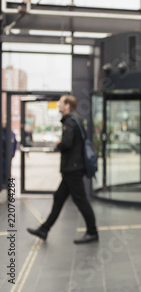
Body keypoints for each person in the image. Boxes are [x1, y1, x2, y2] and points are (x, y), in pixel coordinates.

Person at [27, 95, 98, 244]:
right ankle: (44, 229)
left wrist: (58, 143)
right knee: (59, 198)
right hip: (72, 168)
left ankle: (92, 232)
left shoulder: (71, 121)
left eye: (60, 103)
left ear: (67, 106)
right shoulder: (75, 120)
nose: (58, 105)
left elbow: (67, 143)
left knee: (81, 201)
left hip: (72, 169)